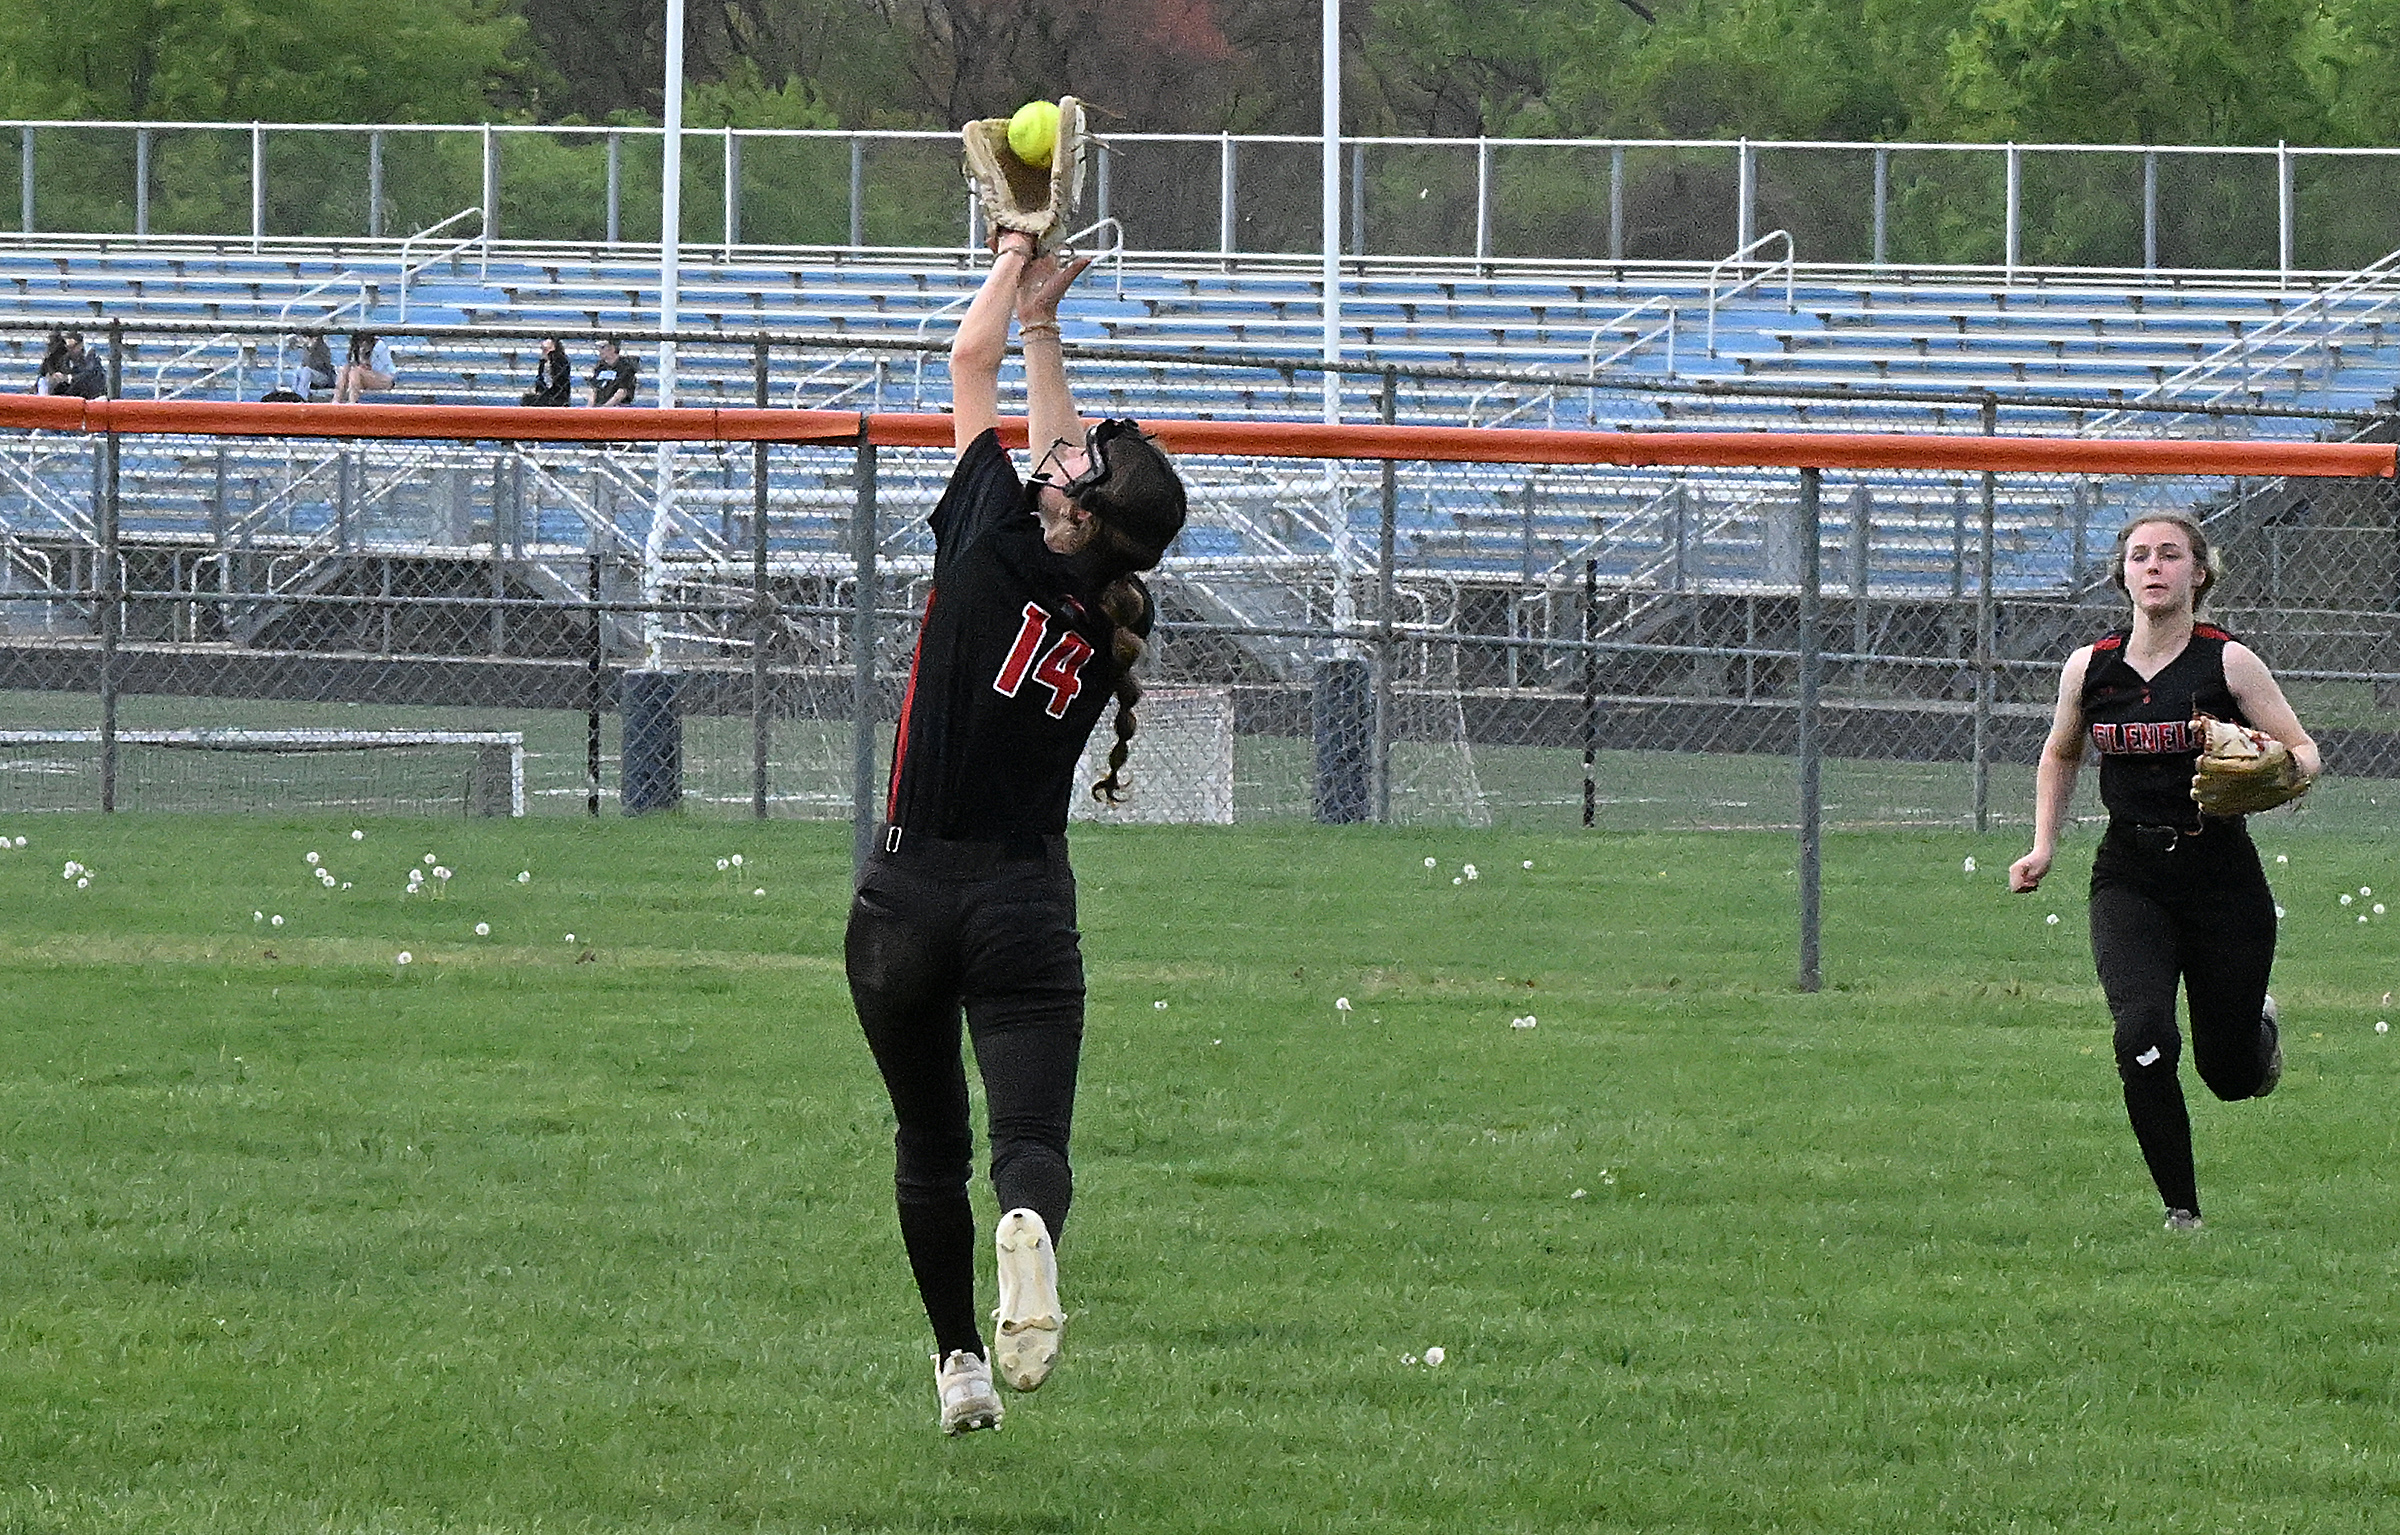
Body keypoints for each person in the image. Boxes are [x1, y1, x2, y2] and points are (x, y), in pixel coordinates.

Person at [844, 228, 1186, 1436]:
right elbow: (1059, 450)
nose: (1066, 454)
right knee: (1029, 1141)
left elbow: (960, 356)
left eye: (1083, 461)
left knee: (928, 1137)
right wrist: (1048, 322)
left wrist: (1006, 252)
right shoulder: (1108, 611)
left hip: (904, 899)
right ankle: (1028, 1230)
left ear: (1073, 507)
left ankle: (956, 1361)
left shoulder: (989, 539)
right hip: (1025, 904)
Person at [2009, 514, 2319, 1233]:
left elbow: (2305, 749)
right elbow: (2061, 752)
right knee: (2141, 1033)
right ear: (2122, 575)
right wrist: (2043, 844)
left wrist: (2281, 772)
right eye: (2140, 555)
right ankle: (2183, 1210)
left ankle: (2257, 1037)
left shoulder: (2229, 662)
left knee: (2229, 1074)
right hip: (2130, 875)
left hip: (2222, 877)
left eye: (2170, 555)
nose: (2154, 566)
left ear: (2198, 574)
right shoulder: (2091, 668)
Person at [334, 332, 397, 403]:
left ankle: (353, 401)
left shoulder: (378, 345)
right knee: (345, 369)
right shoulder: (356, 346)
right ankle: (336, 400)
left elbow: (377, 368)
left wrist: (364, 366)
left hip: (385, 378)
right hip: (364, 377)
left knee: (355, 371)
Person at [41, 330, 106, 399]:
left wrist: (68, 378)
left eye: (73, 347)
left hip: (91, 396)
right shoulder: (65, 359)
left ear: (80, 345)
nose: (70, 350)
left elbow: (87, 376)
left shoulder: (91, 357)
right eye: (68, 347)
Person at [521, 337, 572, 406]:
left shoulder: (560, 360)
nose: (546, 352)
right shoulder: (543, 362)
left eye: (549, 349)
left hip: (558, 397)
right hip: (546, 395)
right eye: (544, 349)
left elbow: (559, 378)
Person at [588, 338, 638, 406]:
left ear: (612, 348)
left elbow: (621, 392)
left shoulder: (625, 367)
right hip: (599, 405)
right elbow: (594, 389)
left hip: (618, 407)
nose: (599, 350)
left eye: (603, 347)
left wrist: (605, 407)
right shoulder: (601, 366)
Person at [32, 330, 66, 395]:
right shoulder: (51, 349)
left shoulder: (60, 348)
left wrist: (52, 373)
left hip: (58, 373)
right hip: (49, 374)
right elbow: (47, 363)